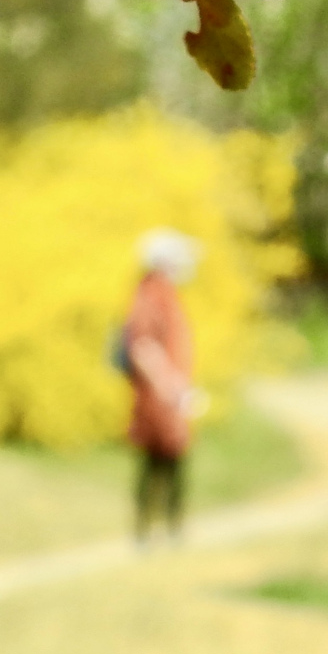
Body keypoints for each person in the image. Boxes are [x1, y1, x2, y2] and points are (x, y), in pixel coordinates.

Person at [125, 230, 201, 542]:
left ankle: (169, 529)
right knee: (160, 461)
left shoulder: (163, 294)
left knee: (169, 463)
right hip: (159, 399)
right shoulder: (151, 296)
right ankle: (150, 531)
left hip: (167, 395)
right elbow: (143, 347)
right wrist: (170, 386)